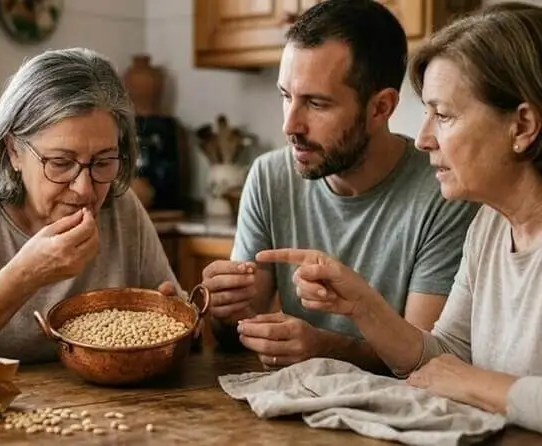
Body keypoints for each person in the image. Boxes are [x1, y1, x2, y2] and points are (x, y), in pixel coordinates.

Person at [258, 2, 542, 433]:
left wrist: (473, 383)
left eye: (443, 115)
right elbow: (446, 355)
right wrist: (363, 306)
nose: (424, 138)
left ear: (521, 126)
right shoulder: (490, 225)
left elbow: (455, 374)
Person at [202, 0, 480, 373]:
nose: (290, 126)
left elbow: (426, 360)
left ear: (381, 108)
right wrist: (222, 311)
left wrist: (326, 348)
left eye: (316, 104)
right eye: (286, 96)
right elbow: (236, 331)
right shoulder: (269, 177)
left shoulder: (443, 193)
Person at [0, 48, 181, 362]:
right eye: (61, 163)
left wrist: (193, 316)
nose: (85, 189)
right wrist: (25, 274)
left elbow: (175, 327)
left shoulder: (121, 206)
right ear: (13, 151)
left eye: (103, 162)